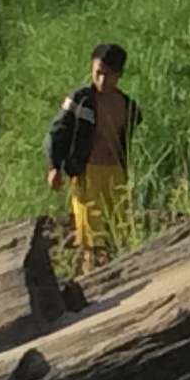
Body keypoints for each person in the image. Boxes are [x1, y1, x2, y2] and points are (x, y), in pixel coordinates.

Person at [46, 43, 138, 272]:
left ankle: (117, 277)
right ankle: (91, 279)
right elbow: (58, 131)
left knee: (117, 234)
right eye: (98, 73)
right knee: (91, 238)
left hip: (116, 174)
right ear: (91, 68)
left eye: (109, 74)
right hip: (88, 172)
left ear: (119, 74)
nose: (102, 80)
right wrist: (54, 166)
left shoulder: (127, 106)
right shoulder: (80, 100)